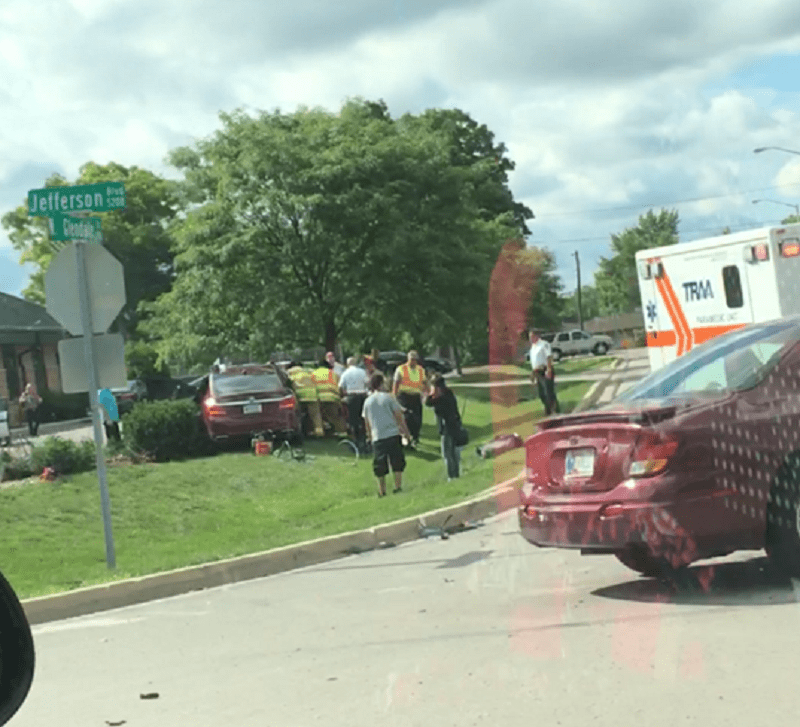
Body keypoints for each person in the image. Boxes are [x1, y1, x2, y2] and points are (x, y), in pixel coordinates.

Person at [363, 372, 412, 497]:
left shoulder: (367, 402)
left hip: (377, 437)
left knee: (379, 465)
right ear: (381, 383)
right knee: (397, 462)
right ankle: (397, 487)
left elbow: (367, 422)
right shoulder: (389, 398)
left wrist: (369, 436)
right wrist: (406, 433)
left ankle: (382, 491)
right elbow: (399, 417)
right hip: (392, 434)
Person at [425, 374, 463, 480]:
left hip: (447, 427)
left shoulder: (440, 398)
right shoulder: (449, 393)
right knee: (454, 452)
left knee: (447, 453)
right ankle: (456, 473)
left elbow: (427, 403)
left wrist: (431, 394)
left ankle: (452, 476)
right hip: (455, 424)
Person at [392, 350, 427, 447]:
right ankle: (406, 437)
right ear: (408, 359)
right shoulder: (401, 369)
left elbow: (424, 382)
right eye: (412, 359)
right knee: (406, 418)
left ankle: (415, 437)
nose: (413, 361)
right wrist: (394, 396)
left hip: (416, 396)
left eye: (415, 360)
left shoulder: (420, 369)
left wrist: (426, 394)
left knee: (417, 418)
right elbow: (396, 383)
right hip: (404, 396)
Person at [338, 356, 370, 452]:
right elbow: (368, 383)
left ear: (347, 364)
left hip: (351, 397)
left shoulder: (345, 373)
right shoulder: (362, 372)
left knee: (353, 420)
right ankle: (363, 440)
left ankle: (355, 441)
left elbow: (340, 386)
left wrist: (342, 395)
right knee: (362, 419)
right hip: (362, 396)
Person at [287, 361, 325, 437]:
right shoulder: (307, 372)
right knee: (315, 415)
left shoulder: (290, 373)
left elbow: (289, 384)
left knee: (299, 414)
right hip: (312, 395)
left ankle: (302, 432)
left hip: (300, 396)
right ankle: (319, 432)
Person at [528, 328, 560, 416]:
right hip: (538, 372)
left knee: (548, 392)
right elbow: (534, 362)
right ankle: (548, 408)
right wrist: (533, 374)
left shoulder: (544, 344)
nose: (531, 339)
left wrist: (549, 370)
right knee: (541, 394)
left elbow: (549, 357)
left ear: (537, 336)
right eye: (530, 337)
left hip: (545, 370)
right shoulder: (532, 348)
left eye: (532, 336)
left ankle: (553, 410)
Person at [312, 359, 347, 434]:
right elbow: (340, 386)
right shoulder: (333, 374)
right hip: (333, 397)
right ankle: (342, 433)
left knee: (319, 415)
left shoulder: (314, 374)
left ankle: (322, 432)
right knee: (336, 416)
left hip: (319, 398)